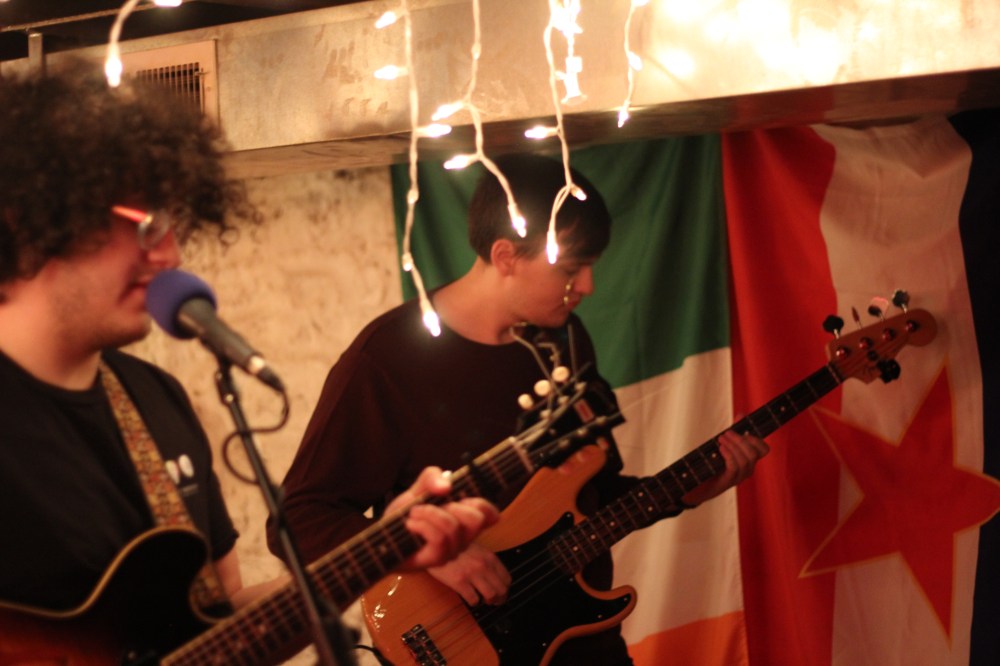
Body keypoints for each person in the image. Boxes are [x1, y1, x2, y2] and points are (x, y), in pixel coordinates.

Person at [0, 62, 498, 658]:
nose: (170, 254)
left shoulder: (154, 401)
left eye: (173, 224)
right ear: (35, 218)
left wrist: (380, 551)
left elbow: (219, 627)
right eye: (147, 225)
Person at [271, 153, 771, 664]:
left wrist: (688, 490)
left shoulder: (563, 340)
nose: (588, 287)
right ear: (506, 256)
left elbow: (590, 496)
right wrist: (421, 553)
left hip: (583, 647)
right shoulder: (387, 358)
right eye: (571, 269)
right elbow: (298, 520)